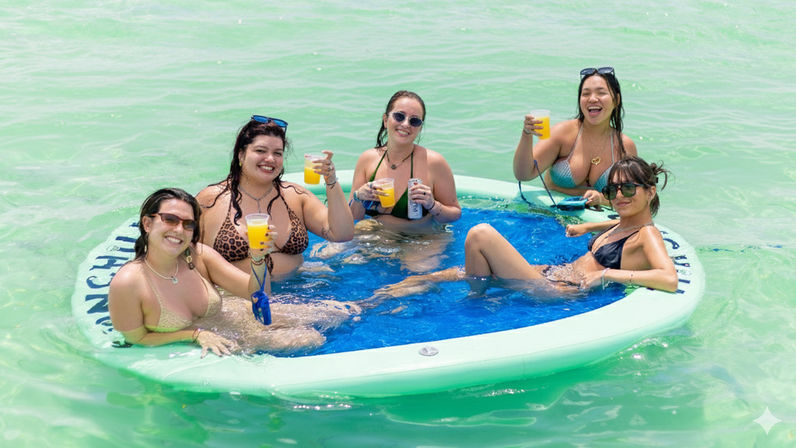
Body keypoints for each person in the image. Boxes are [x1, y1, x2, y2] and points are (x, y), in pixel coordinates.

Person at [108, 188, 360, 357]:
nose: (179, 230)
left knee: (342, 312)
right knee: (310, 339)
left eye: (188, 224)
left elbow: (256, 293)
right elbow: (137, 339)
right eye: (170, 219)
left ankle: (381, 296)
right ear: (147, 223)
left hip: (239, 314)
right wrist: (194, 335)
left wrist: (257, 257)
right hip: (231, 337)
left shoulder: (197, 255)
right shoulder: (130, 282)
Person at [376, 157, 678, 297]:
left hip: (561, 290)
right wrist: (589, 227)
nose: (619, 196)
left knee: (480, 235)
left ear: (650, 192)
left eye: (629, 189)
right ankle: (394, 292)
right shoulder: (624, 225)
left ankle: (474, 301)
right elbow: (620, 224)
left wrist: (607, 274)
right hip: (554, 273)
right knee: (451, 272)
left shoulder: (648, 234)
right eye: (612, 190)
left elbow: (669, 278)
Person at [197, 115, 354, 279]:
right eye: (260, 151)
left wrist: (331, 181)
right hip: (237, 293)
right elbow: (188, 255)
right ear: (241, 154)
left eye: (277, 153)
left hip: (299, 287)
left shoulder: (295, 195)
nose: (270, 159)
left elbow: (342, 234)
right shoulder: (212, 199)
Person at [513, 67, 638, 206]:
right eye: (586, 94)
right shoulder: (562, 133)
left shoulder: (625, 146)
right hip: (550, 213)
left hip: (596, 217)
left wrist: (601, 199)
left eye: (601, 93)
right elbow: (523, 174)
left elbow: (633, 197)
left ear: (616, 100)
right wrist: (526, 134)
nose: (592, 99)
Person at [349, 90, 461, 233]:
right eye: (399, 116)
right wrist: (359, 197)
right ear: (385, 120)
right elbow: (353, 217)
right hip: (376, 237)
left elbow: (455, 214)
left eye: (414, 121)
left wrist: (432, 205)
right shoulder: (367, 159)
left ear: (420, 128)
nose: (406, 124)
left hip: (421, 238)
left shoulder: (434, 162)